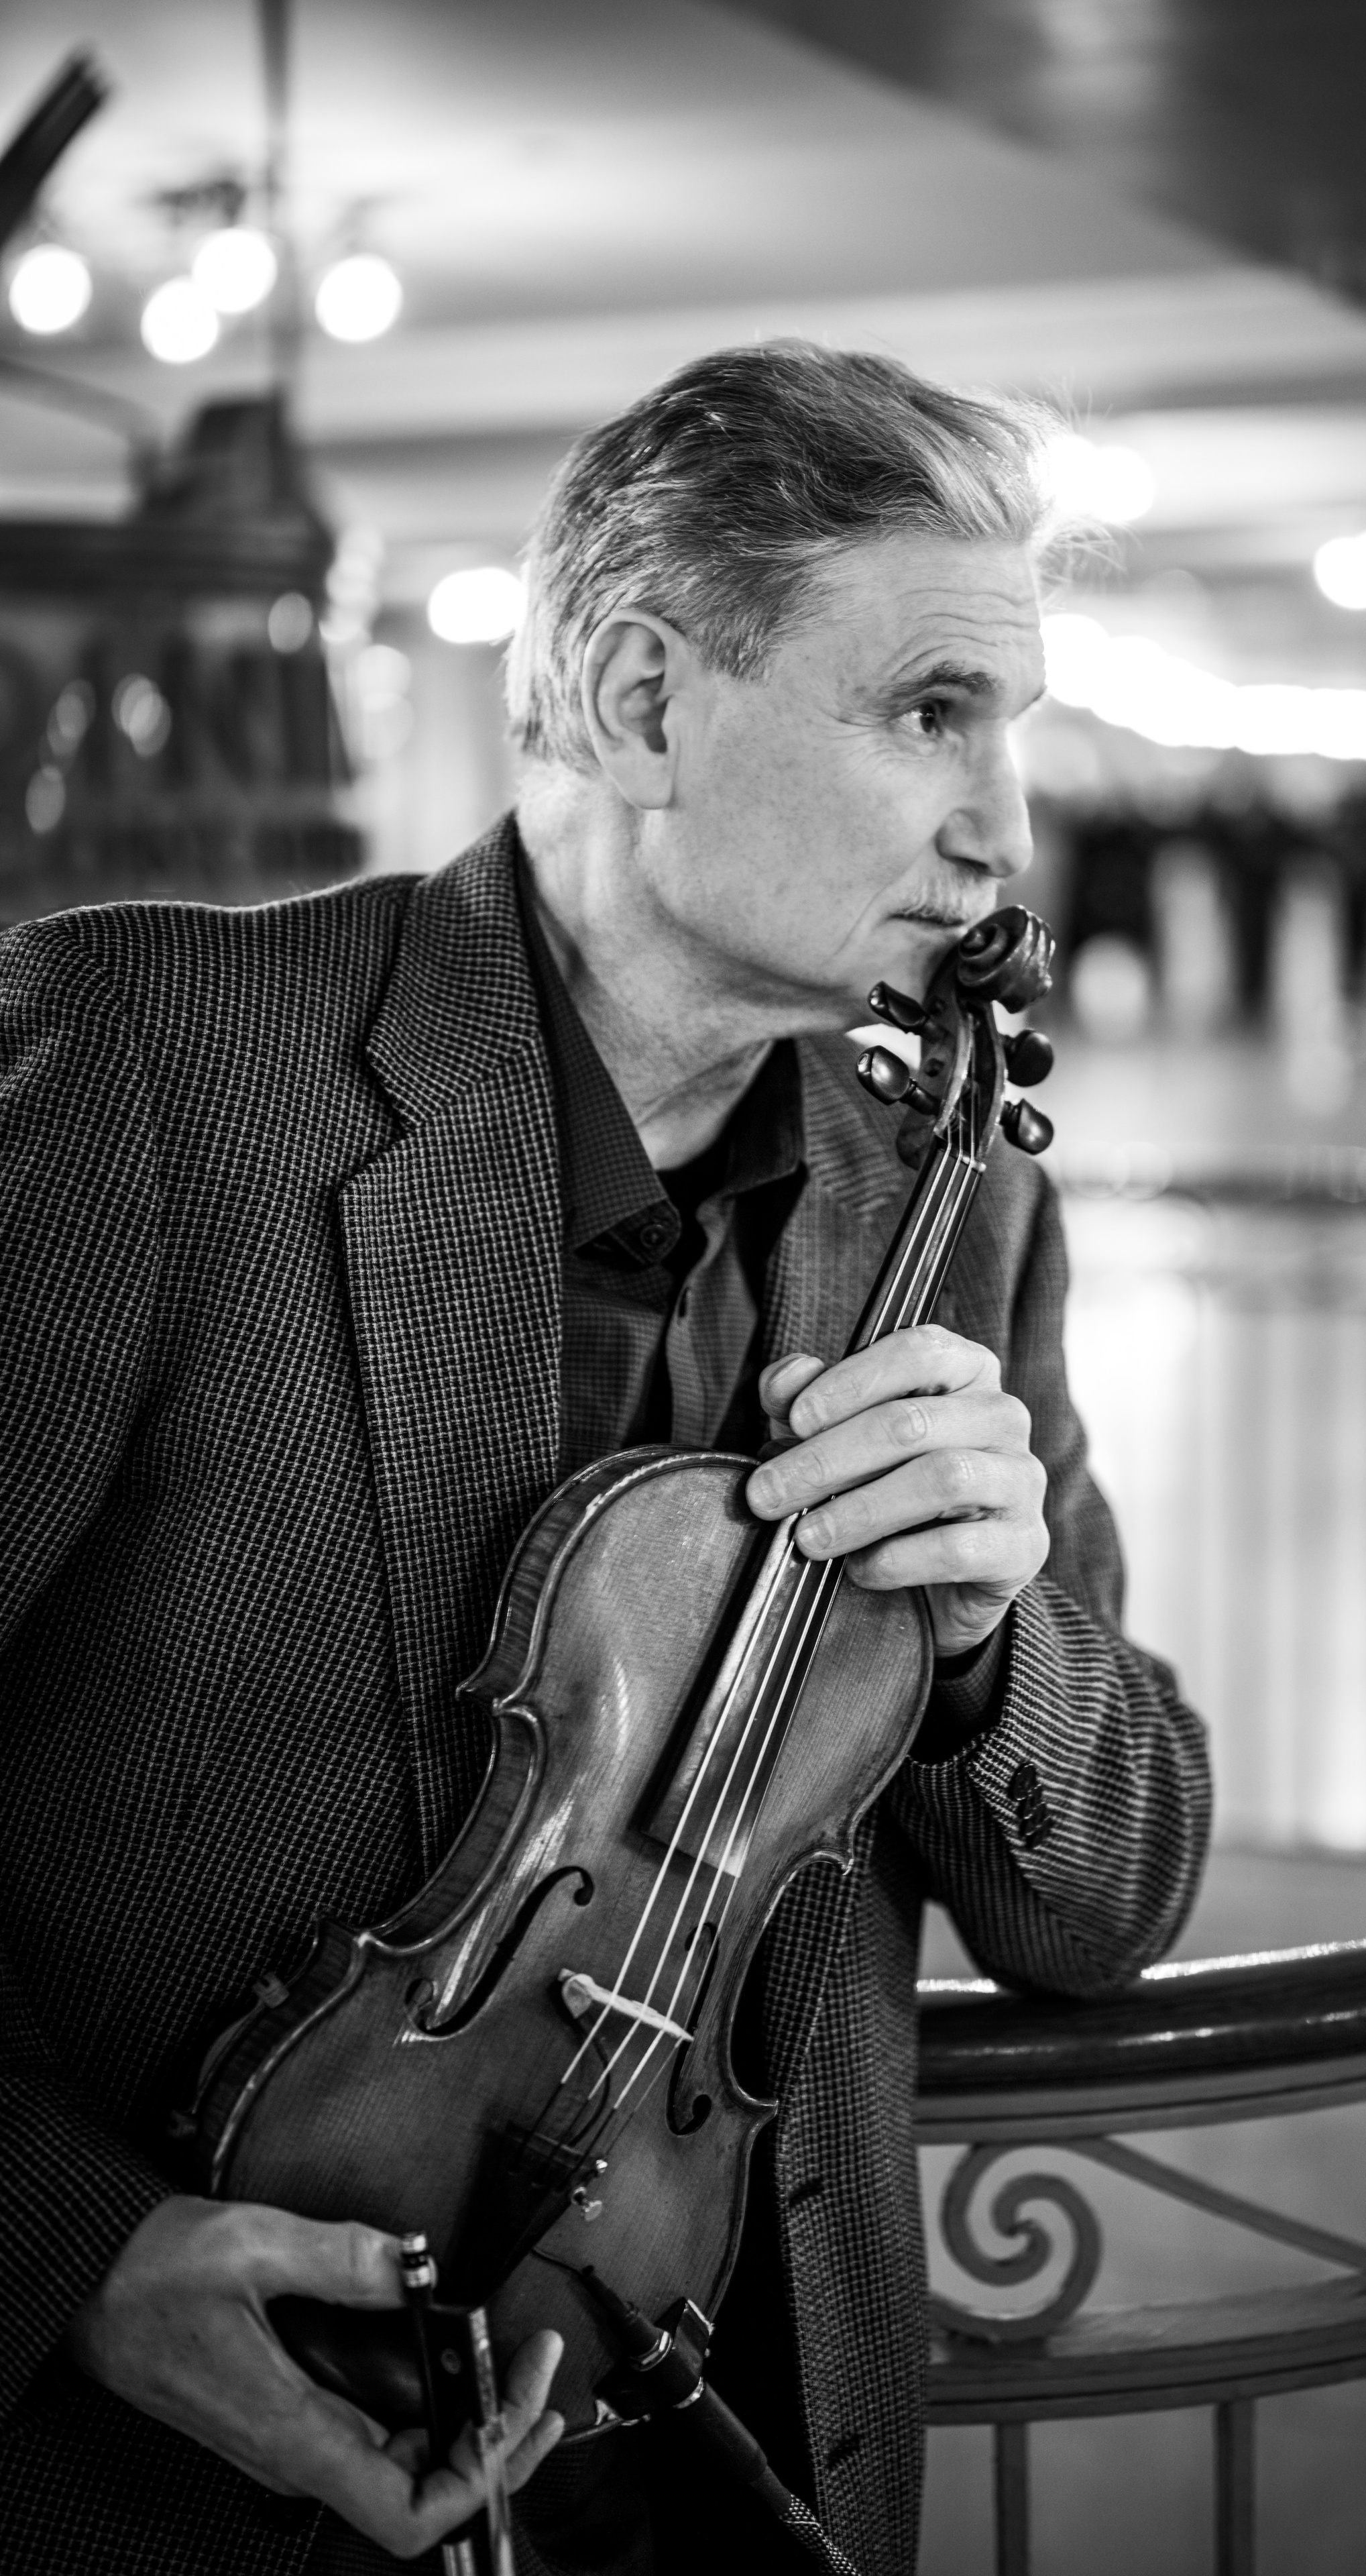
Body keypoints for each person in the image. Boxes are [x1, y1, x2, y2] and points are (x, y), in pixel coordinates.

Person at [0, 342, 1211, 2576]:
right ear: (647, 702)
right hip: (158, 2491)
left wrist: (986, 1641)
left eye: (1014, 728)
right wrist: (74, 2254)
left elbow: (1113, 1894)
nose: (1007, 833)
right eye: (931, 712)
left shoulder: (950, 1206)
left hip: (732, 2451)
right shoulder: (163, 1063)